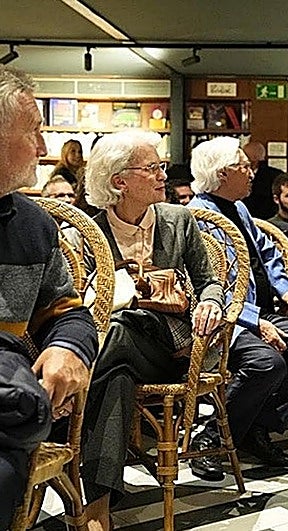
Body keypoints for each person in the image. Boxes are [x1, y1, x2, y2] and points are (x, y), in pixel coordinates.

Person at [80, 130, 225, 531]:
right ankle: (99, 507)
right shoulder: (89, 232)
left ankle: (65, 409)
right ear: (119, 181)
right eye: (152, 168)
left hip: (172, 349)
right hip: (120, 353)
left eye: (161, 166)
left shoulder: (179, 220)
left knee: (119, 330)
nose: (164, 174)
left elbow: (210, 280)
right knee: (117, 377)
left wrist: (211, 302)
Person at [188, 137, 288, 477]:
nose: (252, 173)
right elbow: (207, 287)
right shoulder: (199, 217)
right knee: (267, 362)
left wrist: (286, 289)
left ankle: (256, 426)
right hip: (222, 320)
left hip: (254, 309)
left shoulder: (238, 208)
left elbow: (266, 251)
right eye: (243, 166)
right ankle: (210, 437)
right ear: (222, 174)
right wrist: (254, 322)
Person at [0, 66, 97, 531]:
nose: (43, 148)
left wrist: (68, 347)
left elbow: (68, 310)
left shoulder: (33, 225)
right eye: (33, 131)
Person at [241, 140, 283, 219]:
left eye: (244, 154)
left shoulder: (275, 176)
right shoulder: (238, 173)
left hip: (267, 219)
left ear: (255, 157)